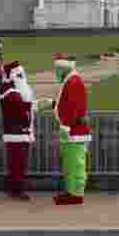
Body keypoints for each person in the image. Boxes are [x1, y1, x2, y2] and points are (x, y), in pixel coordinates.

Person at [52, 53, 91, 205]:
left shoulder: (73, 82)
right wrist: (53, 104)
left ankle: (75, 194)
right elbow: (69, 105)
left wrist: (67, 125)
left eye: (57, 68)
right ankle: (72, 191)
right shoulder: (71, 81)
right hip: (72, 129)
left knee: (75, 163)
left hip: (73, 131)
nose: (55, 72)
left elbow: (73, 108)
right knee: (70, 163)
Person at [0, 60, 36, 200]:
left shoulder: (12, 89)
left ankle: (16, 187)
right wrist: (30, 105)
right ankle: (17, 189)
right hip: (15, 131)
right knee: (17, 163)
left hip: (20, 132)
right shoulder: (9, 90)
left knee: (18, 163)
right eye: (19, 75)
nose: (21, 77)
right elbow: (17, 108)